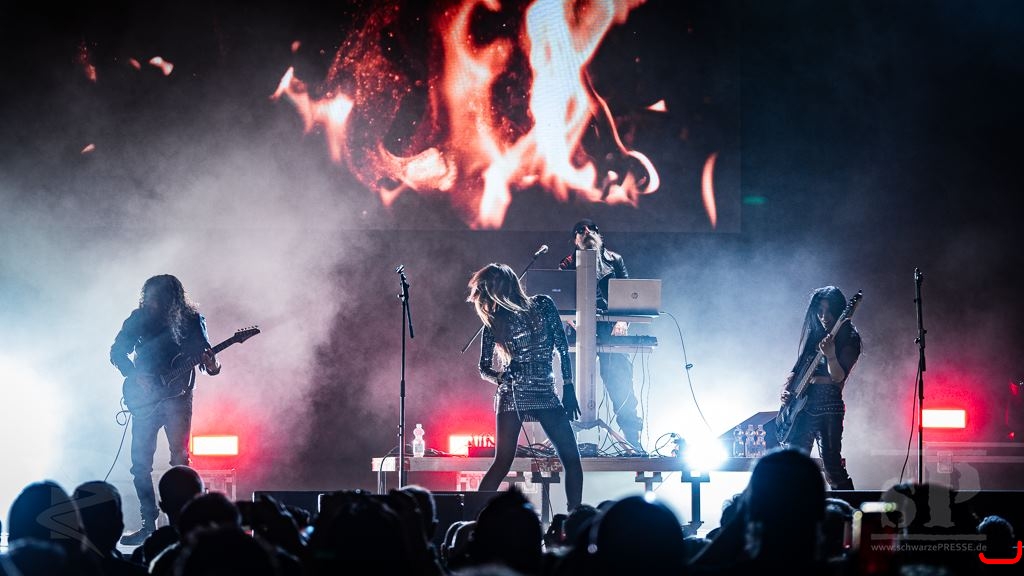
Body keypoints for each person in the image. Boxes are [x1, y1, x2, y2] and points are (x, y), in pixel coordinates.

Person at [110, 274, 221, 545]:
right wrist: (134, 374)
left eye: (156, 298)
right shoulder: (138, 319)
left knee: (180, 462)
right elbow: (117, 352)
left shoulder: (191, 321)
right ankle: (148, 524)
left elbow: (207, 360)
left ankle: (180, 526)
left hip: (179, 399)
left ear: (171, 299)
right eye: (147, 297)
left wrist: (212, 365)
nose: (151, 303)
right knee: (140, 465)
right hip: (145, 399)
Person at [467, 263, 584, 512]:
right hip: (513, 394)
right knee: (502, 461)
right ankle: (475, 519)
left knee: (572, 459)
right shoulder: (495, 321)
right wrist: (502, 377)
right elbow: (484, 368)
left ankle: (575, 519)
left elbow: (563, 348)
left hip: (546, 392)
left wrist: (569, 387)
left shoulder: (543, 304)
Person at [558, 218, 643, 451]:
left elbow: (629, 295)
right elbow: (559, 297)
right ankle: (566, 442)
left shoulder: (614, 260)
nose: (587, 232)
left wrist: (622, 321)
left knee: (620, 382)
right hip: (578, 330)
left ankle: (633, 441)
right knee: (571, 384)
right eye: (580, 230)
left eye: (591, 229)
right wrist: (571, 321)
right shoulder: (567, 263)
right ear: (575, 239)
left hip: (609, 327)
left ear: (599, 234)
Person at [779, 285, 859, 490]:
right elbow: (797, 368)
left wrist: (830, 355)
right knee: (793, 467)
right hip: (801, 409)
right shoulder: (815, 334)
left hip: (829, 408)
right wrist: (787, 389)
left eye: (829, 311)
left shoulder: (850, 337)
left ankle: (848, 508)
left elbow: (838, 377)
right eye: (820, 311)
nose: (824, 317)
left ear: (840, 310)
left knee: (833, 469)